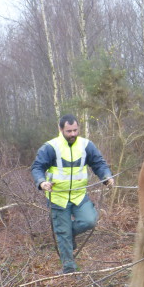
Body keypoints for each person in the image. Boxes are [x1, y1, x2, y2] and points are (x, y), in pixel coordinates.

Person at [32, 114, 115, 273]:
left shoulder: (86, 145)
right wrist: (42, 182)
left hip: (79, 195)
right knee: (62, 232)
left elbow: (99, 163)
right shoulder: (50, 147)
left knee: (89, 221)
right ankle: (69, 269)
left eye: (75, 130)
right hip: (58, 197)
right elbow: (37, 168)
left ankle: (68, 238)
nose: (72, 134)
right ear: (60, 129)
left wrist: (106, 176)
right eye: (69, 131)